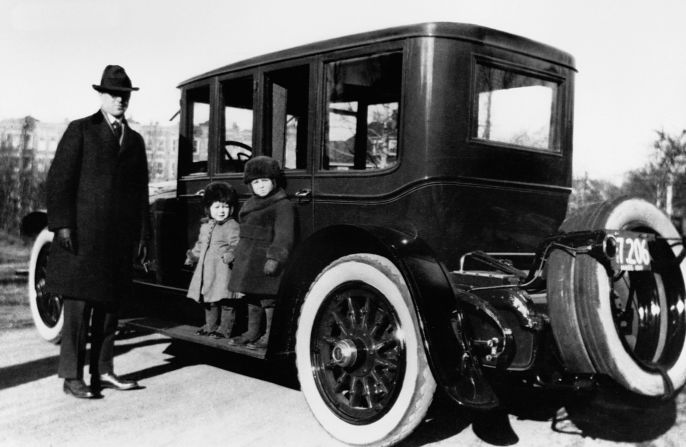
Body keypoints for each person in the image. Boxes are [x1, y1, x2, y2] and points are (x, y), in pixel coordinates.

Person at [46, 65, 150, 398]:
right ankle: (70, 377)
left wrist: (143, 237)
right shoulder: (81, 130)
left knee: (108, 311)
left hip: (117, 242)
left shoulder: (134, 141)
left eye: (124, 96)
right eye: (113, 95)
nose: (120, 101)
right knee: (77, 310)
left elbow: (140, 194)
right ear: (101, 96)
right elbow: (59, 179)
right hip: (81, 237)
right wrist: (62, 224)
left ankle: (104, 371)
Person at [228, 156, 295, 349]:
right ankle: (252, 331)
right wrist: (236, 252)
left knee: (268, 299)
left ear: (273, 181)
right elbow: (243, 232)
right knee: (251, 296)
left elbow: (284, 235)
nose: (261, 186)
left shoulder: (282, 205)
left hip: (264, 258)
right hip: (248, 257)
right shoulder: (250, 203)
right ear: (250, 185)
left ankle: (270, 334)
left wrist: (274, 258)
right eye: (256, 182)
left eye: (265, 181)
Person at [185, 182, 241, 339]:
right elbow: (201, 244)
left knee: (226, 300)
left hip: (223, 271)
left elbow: (238, 244)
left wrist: (231, 254)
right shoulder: (206, 226)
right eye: (217, 207)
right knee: (209, 300)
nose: (221, 211)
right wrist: (193, 256)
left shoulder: (232, 225)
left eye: (225, 207)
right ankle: (210, 325)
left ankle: (225, 328)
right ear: (208, 209)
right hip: (207, 272)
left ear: (231, 208)